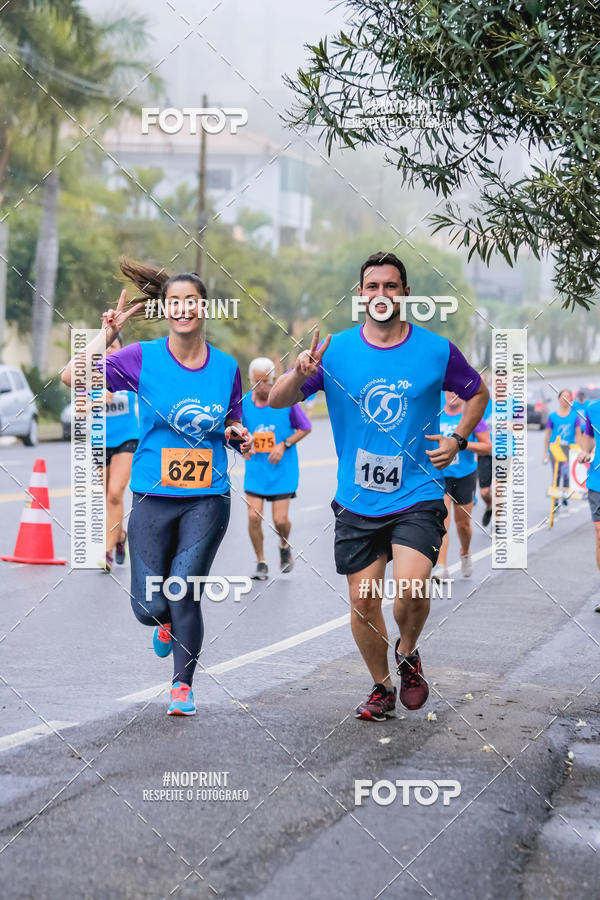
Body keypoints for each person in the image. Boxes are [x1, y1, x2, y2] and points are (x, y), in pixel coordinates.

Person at [269, 251, 488, 721]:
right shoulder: (335, 351)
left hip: (418, 491)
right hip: (357, 497)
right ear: (360, 295)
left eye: (391, 286)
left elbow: (477, 393)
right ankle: (381, 686)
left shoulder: (435, 350)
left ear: (405, 294)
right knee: (362, 599)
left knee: (410, 587)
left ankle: (408, 652)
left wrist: (458, 437)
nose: (381, 294)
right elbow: (276, 398)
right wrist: (299, 373)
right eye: (373, 286)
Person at [62, 261, 252, 716]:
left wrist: (237, 435)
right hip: (152, 494)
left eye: (192, 302)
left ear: (204, 308)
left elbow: (232, 421)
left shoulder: (226, 367)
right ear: (166, 309)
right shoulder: (141, 357)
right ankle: (163, 623)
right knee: (149, 607)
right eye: (175, 302)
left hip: (208, 497)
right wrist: (106, 334)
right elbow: (72, 377)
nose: (184, 309)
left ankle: (182, 687)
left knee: (184, 589)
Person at [242, 357, 311, 580]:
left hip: (282, 469)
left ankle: (283, 545)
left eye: (266, 382)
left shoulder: (285, 401)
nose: (262, 387)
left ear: (272, 379)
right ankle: (261, 562)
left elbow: (305, 427)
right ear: (250, 380)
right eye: (257, 382)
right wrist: (243, 445)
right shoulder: (243, 404)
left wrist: (284, 444)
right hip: (256, 470)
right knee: (253, 517)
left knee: (280, 520)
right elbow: (235, 430)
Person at [431, 392, 491, 580]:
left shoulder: (471, 416)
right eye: (449, 390)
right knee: (442, 521)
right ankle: (441, 566)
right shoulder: (436, 413)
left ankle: (465, 552)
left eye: (456, 391)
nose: (452, 395)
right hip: (441, 476)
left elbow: (487, 447)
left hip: (464, 475)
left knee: (463, 525)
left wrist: (463, 444)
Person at [100, 331, 139, 572]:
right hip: (99, 441)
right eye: (105, 346)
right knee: (107, 497)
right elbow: (78, 409)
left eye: (113, 346)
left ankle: (106, 552)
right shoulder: (91, 376)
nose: (108, 351)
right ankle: (120, 535)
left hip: (127, 438)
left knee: (115, 493)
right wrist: (96, 401)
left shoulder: (129, 374)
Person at [578, 399, 600, 612]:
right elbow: (588, 437)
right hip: (597, 481)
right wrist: (585, 451)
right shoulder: (593, 408)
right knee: (599, 533)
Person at [543, 389, 582, 511]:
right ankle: (555, 501)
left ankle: (564, 495)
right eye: (562, 397)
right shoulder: (552, 416)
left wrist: (579, 450)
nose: (564, 399)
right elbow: (548, 435)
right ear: (558, 399)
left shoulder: (575, 417)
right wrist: (545, 452)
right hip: (554, 449)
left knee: (566, 474)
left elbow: (578, 435)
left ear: (571, 399)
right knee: (556, 474)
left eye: (567, 397)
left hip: (569, 450)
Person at [477, 374, 493, 526]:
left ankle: (500, 523)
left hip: (504, 451)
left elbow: (521, 424)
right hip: (484, 452)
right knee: (484, 492)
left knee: (501, 490)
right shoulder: (479, 401)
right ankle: (490, 506)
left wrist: (512, 425)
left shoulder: (512, 401)